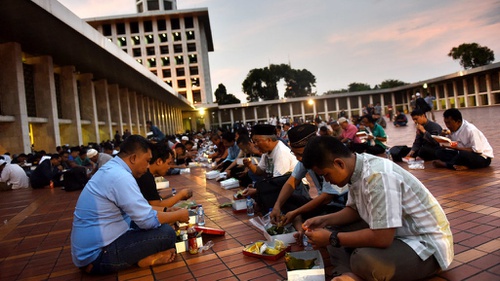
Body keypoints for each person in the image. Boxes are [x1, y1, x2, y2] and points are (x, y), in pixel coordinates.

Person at [301, 136, 454, 281]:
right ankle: (348, 274)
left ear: (339, 163)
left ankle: (355, 273)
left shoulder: (377, 176)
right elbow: (354, 210)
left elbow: (382, 237)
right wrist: (323, 220)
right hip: (397, 234)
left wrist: (331, 238)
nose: (327, 180)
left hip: (426, 245)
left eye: (326, 175)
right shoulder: (356, 170)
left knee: (363, 259)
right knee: (331, 228)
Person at [71, 135, 181, 274]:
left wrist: (167, 213)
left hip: (91, 250)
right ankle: (142, 259)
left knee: (161, 223)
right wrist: (179, 215)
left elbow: (141, 211)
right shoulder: (120, 177)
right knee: (166, 234)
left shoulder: (112, 169)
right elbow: (147, 221)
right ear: (133, 158)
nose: (147, 167)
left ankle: (141, 257)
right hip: (96, 257)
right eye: (147, 161)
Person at [270, 124, 347, 240]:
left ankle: (307, 228)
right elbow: (292, 182)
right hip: (323, 204)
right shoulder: (304, 160)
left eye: (300, 154)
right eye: (294, 154)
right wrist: (277, 206)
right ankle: (301, 230)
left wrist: (295, 212)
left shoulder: (327, 158)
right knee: (287, 199)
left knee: (321, 221)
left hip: (340, 206)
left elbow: (327, 197)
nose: (298, 158)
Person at [136, 142, 192, 223]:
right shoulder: (146, 176)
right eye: (168, 163)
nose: (169, 167)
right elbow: (157, 205)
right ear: (159, 161)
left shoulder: (147, 175)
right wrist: (181, 195)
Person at [242, 124, 298, 198]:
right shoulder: (266, 152)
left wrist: (257, 190)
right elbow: (259, 171)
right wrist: (249, 165)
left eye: (257, 141)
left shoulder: (281, 152)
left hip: (295, 188)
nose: (255, 145)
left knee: (261, 192)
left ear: (268, 140)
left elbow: (278, 183)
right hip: (278, 184)